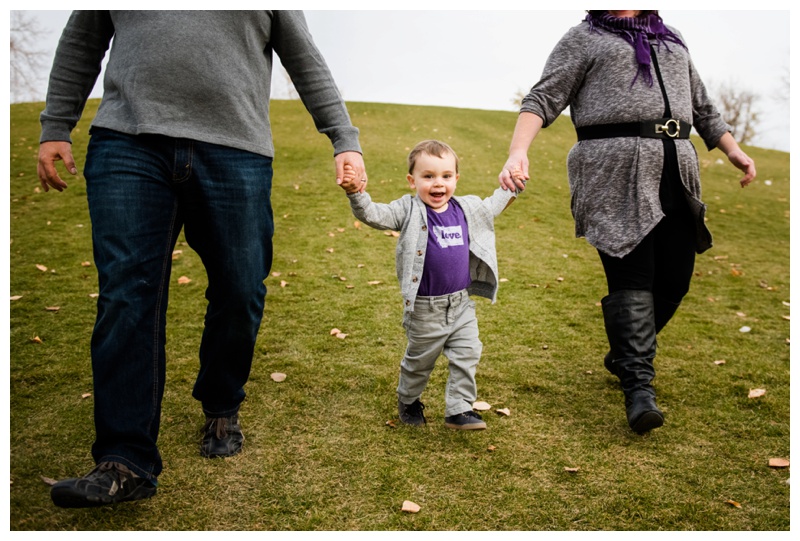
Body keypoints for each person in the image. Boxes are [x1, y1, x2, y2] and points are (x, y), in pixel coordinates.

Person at [37, 11, 366, 508]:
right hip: (128, 142)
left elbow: (304, 57)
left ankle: (221, 403)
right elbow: (82, 40)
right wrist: (56, 123)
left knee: (240, 288)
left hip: (236, 149)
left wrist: (343, 137)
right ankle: (125, 460)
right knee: (127, 295)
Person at [498, 10, 756, 434]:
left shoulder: (671, 38)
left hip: (676, 170)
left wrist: (732, 150)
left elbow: (703, 105)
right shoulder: (583, 38)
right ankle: (639, 389)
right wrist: (517, 152)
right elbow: (542, 98)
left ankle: (624, 351)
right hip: (613, 172)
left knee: (675, 280)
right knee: (633, 277)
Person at [339, 140, 521, 430]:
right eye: (428, 176)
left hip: (461, 304)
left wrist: (513, 185)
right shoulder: (408, 209)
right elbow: (374, 215)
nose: (438, 184)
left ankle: (459, 410)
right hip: (425, 309)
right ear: (412, 181)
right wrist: (356, 194)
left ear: (456, 179)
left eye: (446, 176)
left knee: (468, 353)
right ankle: (408, 399)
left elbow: (492, 207)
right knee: (419, 362)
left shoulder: (466, 208)